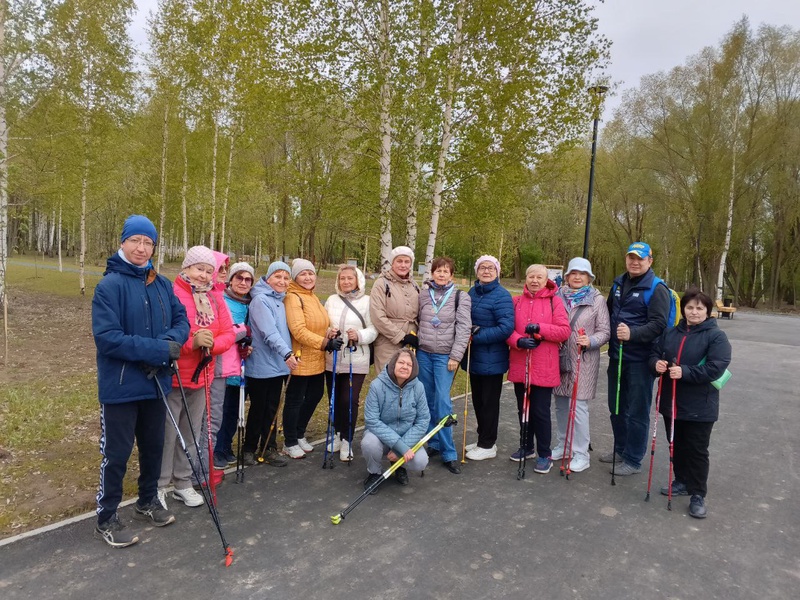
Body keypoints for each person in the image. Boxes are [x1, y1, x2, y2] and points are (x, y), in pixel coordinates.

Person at [91, 214, 189, 547]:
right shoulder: (109, 286)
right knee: (116, 454)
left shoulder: (161, 284)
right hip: (120, 387)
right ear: (123, 242)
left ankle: (147, 501)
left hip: (156, 383)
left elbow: (181, 321)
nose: (141, 248)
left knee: (152, 447)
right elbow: (108, 338)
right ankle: (107, 517)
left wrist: (168, 346)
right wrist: (157, 350)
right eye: (135, 240)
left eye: (148, 242)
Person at [159, 246, 235, 507]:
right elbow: (162, 335)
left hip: (203, 376)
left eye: (208, 271)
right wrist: (190, 342)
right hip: (174, 375)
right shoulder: (171, 293)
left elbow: (227, 333)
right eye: (198, 269)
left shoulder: (214, 298)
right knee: (168, 434)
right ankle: (159, 485)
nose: (203, 275)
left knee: (191, 433)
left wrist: (212, 346)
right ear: (186, 268)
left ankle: (183, 482)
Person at [650, 288, 731, 518]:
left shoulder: (716, 337)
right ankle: (682, 481)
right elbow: (654, 354)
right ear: (683, 309)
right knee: (676, 444)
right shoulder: (670, 333)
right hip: (670, 402)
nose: (694, 312)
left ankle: (697, 493)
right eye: (689, 307)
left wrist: (684, 372)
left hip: (700, 406)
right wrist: (655, 364)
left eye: (699, 308)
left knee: (696, 450)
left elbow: (716, 367)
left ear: (707, 311)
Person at [603, 242, 670, 476]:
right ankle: (620, 449)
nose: (635, 262)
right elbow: (609, 313)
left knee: (637, 411)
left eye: (640, 258)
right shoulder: (619, 282)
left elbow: (659, 324)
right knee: (616, 407)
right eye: (631, 257)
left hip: (641, 361)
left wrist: (633, 334)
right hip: (616, 356)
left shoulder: (656, 288)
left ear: (650, 261)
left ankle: (633, 459)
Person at [506, 264, 571, 474]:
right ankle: (526, 446)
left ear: (546, 280)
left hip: (544, 365)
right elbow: (506, 329)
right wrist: (518, 341)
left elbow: (564, 331)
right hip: (520, 361)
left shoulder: (555, 301)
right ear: (525, 278)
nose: (535, 280)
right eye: (531, 276)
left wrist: (540, 329)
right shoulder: (516, 301)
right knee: (522, 408)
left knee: (540, 411)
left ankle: (545, 453)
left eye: (539, 277)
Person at [551, 257, 610, 473]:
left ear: (589, 278)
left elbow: (605, 331)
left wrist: (590, 341)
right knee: (560, 403)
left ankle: (581, 453)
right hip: (558, 357)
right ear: (566, 276)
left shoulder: (597, 300)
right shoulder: (557, 296)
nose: (577, 277)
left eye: (582, 273)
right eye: (573, 273)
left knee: (579, 407)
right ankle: (563, 444)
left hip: (583, 360)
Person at [282, 258, 343, 459]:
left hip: (317, 358)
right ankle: (289, 441)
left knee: (315, 395)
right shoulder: (293, 297)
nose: (308, 277)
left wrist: (329, 332)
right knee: (295, 400)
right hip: (300, 358)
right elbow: (298, 330)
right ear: (295, 277)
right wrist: (325, 343)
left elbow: (318, 323)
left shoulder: (312, 296)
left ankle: (299, 433)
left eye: (310, 273)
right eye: (303, 274)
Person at [417, 256, 471, 474]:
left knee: (442, 403)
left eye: (445, 271)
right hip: (424, 354)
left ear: (452, 275)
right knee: (427, 401)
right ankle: (434, 443)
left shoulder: (461, 296)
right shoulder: (423, 294)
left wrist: (455, 356)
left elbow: (464, 328)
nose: (441, 274)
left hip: (445, 357)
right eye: (437, 270)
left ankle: (449, 453)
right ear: (432, 274)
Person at [242, 261, 298, 466]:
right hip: (262, 365)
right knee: (259, 409)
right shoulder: (260, 300)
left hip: (278, 366)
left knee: (273, 409)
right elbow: (269, 332)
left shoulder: (280, 300)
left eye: (286, 277)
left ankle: (269, 447)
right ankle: (249, 448)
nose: (282, 281)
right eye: (278, 277)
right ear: (268, 278)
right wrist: (287, 353)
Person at [463, 255, 515, 462]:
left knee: (489, 402)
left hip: (493, 359)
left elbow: (506, 327)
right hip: (474, 358)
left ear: (497, 272)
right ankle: (481, 439)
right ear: (477, 271)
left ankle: (488, 444)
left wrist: (475, 337)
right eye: (482, 268)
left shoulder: (502, 295)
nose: (486, 271)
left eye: (490, 268)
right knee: (478, 401)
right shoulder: (472, 292)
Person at [323, 264, 377, 461]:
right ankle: (337, 434)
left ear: (358, 280)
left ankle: (347, 439)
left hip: (357, 357)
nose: (346, 281)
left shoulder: (367, 301)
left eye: (350, 278)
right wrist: (328, 332)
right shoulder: (331, 300)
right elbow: (324, 323)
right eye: (342, 278)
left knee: (350, 400)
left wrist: (360, 335)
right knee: (334, 399)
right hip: (333, 357)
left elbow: (374, 329)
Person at [361, 349, 430, 491]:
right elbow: (372, 420)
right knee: (369, 443)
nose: (405, 367)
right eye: (401, 362)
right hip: (380, 437)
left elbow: (423, 420)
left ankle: (399, 466)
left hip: (406, 437)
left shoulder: (418, 387)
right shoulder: (376, 386)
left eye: (409, 365)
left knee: (421, 462)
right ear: (393, 364)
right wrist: (401, 447)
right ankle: (374, 472)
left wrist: (401, 449)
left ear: (414, 369)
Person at [213, 262, 259, 469]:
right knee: (223, 409)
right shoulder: (222, 300)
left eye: (247, 279)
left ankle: (226, 447)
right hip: (225, 363)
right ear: (231, 280)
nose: (243, 282)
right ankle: (216, 450)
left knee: (235, 410)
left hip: (244, 363)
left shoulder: (251, 303)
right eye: (238, 278)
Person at [370, 246, 420, 374]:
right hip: (388, 343)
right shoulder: (381, 284)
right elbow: (377, 316)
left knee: (407, 382)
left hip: (411, 342)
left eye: (406, 262)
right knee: (388, 380)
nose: (403, 265)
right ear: (392, 262)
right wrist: (401, 337)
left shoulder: (414, 285)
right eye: (399, 261)